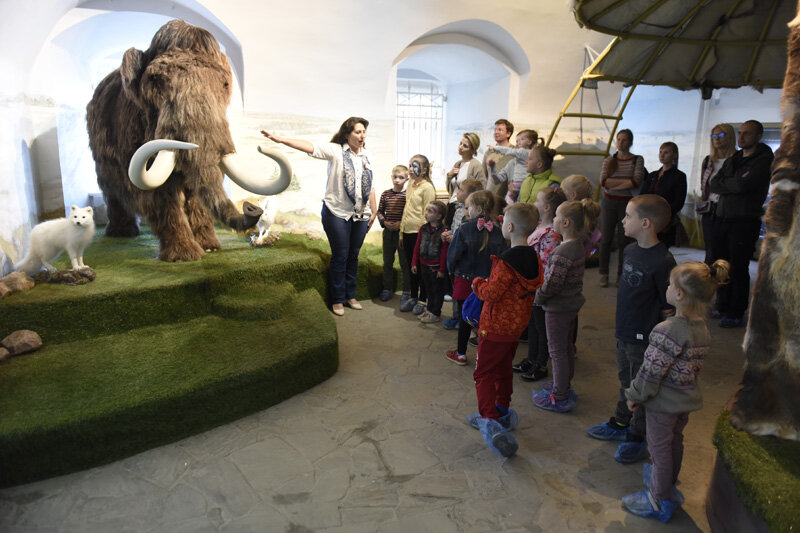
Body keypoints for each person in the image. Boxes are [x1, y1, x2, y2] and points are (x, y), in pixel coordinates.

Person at [621, 260, 730, 523]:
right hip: (684, 401)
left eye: (671, 285)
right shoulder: (702, 329)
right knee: (674, 442)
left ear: (679, 294)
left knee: (659, 451)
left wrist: (634, 396)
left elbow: (650, 373)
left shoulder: (666, 331)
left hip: (662, 404)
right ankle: (668, 482)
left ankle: (657, 497)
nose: (667, 288)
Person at [585, 195, 676, 464]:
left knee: (641, 386)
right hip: (624, 329)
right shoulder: (631, 250)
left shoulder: (663, 260)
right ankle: (621, 422)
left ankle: (636, 437)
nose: (622, 220)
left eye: (628, 216)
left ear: (645, 223)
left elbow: (668, 302)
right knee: (626, 380)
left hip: (644, 336)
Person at [261, 117, 376, 316]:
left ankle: (351, 295)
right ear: (347, 134)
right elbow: (310, 146)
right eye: (357, 132)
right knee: (341, 255)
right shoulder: (336, 151)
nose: (362, 135)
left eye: (363, 132)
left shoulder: (367, 156)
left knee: (353, 255)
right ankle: (338, 299)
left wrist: (374, 211)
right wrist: (281, 140)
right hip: (337, 212)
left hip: (360, 215)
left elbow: (371, 185)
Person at [465, 202, 543, 457]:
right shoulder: (534, 257)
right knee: (502, 370)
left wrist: (478, 283)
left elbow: (492, 293)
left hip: (494, 328)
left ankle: (489, 421)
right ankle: (502, 410)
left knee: (483, 374)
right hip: (514, 328)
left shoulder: (506, 262)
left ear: (509, 227)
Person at [532, 199, 601, 412]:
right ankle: (563, 385)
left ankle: (559, 394)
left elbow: (553, 283)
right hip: (571, 304)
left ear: (566, 222)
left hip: (558, 307)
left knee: (557, 351)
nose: (553, 220)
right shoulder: (577, 246)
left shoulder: (563, 251)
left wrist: (539, 296)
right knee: (566, 347)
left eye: (556, 217)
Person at [707, 120, 774, 328]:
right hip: (722, 217)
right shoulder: (735, 158)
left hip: (744, 221)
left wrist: (731, 183)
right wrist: (733, 183)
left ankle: (736, 312)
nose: (742, 137)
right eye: (741, 133)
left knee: (738, 266)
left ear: (758, 136)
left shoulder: (763, 160)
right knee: (721, 266)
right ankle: (723, 305)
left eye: (747, 134)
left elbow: (743, 185)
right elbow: (714, 183)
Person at [445, 190, 507, 365]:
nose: (466, 211)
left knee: (465, 318)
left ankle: (461, 354)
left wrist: (451, 271)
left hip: (465, 281)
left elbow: (453, 255)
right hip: (488, 284)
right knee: (484, 320)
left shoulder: (464, 229)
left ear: (478, 209)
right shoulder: (498, 232)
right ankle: (484, 356)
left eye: (468, 207)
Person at [513, 188, 566, 381]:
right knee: (533, 326)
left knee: (542, 329)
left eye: (537, 200)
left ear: (546, 207)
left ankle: (540, 364)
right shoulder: (538, 227)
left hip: (539, 288)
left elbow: (545, 263)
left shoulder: (551, 234)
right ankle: (531, 358)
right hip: (530, 286)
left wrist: (537, 286)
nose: (534, 203)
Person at [598, 129, 645, 287]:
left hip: (627, 203)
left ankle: (621, 273)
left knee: (625, 240)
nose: (621, 142)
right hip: (609, 202)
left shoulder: (636, 160)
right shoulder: (609, 161)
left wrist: (615, 184)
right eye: (619, 139)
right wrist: (625, 183)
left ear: (630, 142)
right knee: (606, 238)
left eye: (624, 140)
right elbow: (604, 182)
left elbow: (637, 180)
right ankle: (603, 273)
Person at [442, 178, 485, 330]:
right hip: (454, 254)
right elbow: (456, 231)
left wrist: (454, 239)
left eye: (460, 190)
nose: (457, 192)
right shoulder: (458, 209)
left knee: (463, 293)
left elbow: (468, 238)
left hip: (464, 261)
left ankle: (464, 320)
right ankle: (456, 317)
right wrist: (448, 235)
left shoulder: (471, 216)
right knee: (456, 290)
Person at [399, 154, 437, 314]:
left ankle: (423, 299)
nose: (410, 169)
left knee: (421, 268)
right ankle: (413, 296)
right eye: (409, 165)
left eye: (414, 166)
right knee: (411, 267)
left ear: (424, 170)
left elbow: (429, 213)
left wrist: (424, 236)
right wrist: (401, 232)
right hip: (407, 232)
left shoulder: (427, 187)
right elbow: (407, 209)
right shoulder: (410, 185)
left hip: (419, 234)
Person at [697, 124, 736, 265]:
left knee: (726, 253)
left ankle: (724, 284)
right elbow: (705, 185)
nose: (717, 139)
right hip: (710, 210)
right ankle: (709, 283)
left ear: (730, 137)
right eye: (714, 136)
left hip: (728, 210)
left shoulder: (737, 159)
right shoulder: (708, 160)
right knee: (711, 251)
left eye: (721, 135)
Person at [640, 142, 687, 248]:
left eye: (666, 152)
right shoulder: (653, 175)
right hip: (648, 217)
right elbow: (642, 195)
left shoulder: (679, 176)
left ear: (674, 155)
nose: (662, 155)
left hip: (665, 219)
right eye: (660, 152)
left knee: (661, 248)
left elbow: (679, 201)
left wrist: (663, 212)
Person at [411, 201, 449, 324]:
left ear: (439, 216)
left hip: (436, 267)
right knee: (428, 289)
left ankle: (435, 313)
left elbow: (444, 252)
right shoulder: (423, 228)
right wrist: (414, 263)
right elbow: (417, 246)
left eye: (430, 211)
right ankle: (429, 310)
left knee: (437, 290)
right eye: (426, 210)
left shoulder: (444, 231)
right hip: (423, 264)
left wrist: (442, 269)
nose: (426, 213)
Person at [377, 165, 409, 301]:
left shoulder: (407, 195)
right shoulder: (385, 194)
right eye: (395, 177)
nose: (397, 180)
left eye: (401, 178)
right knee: (387, 261)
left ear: (406, 179)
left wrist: (401, 224)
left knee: (404, 262)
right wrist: (384, 222)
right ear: (391, 177)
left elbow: (409, 214)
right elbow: (379, 211)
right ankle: (387, 288)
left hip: (401, 233)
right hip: (388, 233)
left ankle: (407, 290)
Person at [486, 129, 539, 204]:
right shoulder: (512, 163)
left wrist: (495, 148)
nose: (518, 143)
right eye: (517, 141)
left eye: (521, 140)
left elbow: (510, 151)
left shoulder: (532, 159)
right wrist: (492, 168)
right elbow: (497, 180)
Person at [561, 174, 601, 258]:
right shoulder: (590, 209)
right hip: (588, 254)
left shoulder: (572, 214)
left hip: (574, 255)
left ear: (573, 195)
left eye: (563, 191)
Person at [446, 133, 486, 203]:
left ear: (473, 150)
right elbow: (451, 189)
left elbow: (482, 189)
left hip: (465, 206)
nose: (460, 147)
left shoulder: (476, 166)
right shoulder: (457, 164)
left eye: (465, 146)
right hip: (452, 204)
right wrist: (449, 175)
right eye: (460, 143)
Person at [482, 119, 515, 197]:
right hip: (490, 196)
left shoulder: (514, 152)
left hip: (508, 198)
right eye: (495, 129)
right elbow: (484, 175)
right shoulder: (489, 152)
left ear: (508, 134)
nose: (496, 132)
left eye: (500, 130)